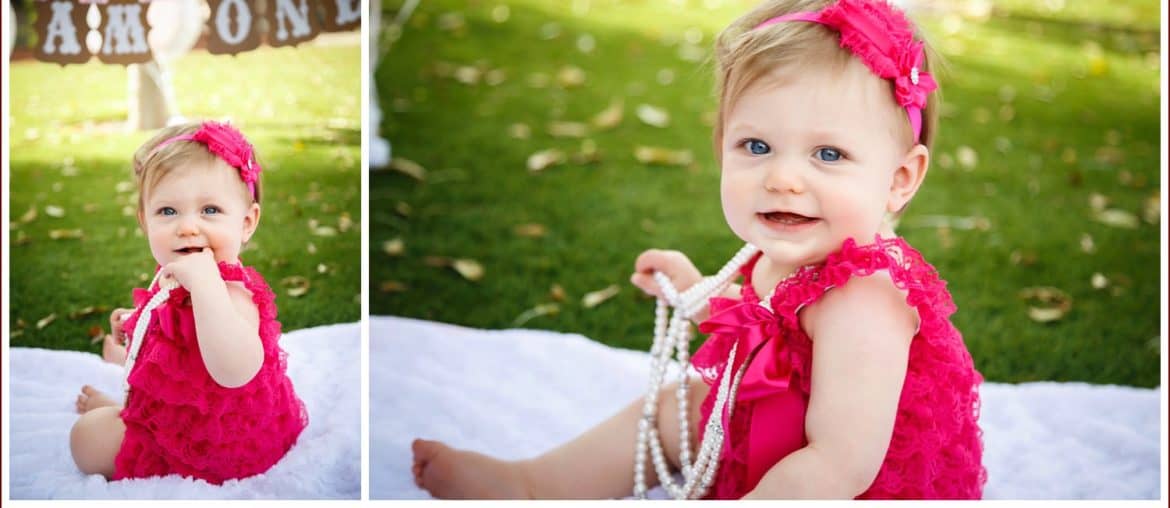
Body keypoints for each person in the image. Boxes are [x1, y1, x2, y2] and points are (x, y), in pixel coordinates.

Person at [410, 0, 985, 499]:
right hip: (776, 434)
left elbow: (840, 462)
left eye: (828, 155)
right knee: (679, 403)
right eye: (756, 146)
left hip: (843, 487)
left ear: (900, 179)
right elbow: (772, 335)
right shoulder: (796, 250)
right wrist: (700, 296)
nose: (783, 178)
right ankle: (532, 484)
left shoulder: (866, 299)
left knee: (728, 422)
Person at [70, 121, 308, 485]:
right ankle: (129, 399)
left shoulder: (232, 293)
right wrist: (135, 322)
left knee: (85, 439)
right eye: (168, 212)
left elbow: (234, 370)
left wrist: (206, 287)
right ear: (144, 222)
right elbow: (175, 329)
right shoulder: (177, 273)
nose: (187, 227)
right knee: (136, 390)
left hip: (215, 446)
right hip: (190, 415)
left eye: (210, 210)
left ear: (246, 223)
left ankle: (124, 415)